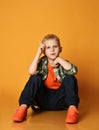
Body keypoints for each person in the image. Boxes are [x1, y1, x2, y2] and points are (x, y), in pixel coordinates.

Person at [12, 34, 80, 123]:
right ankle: (23, 108)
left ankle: (72, 110)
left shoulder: (64, 63)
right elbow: (31, 72)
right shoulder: (41, 62)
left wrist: (59, 60)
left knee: (70, 78)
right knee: (35, 78)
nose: (52, 50)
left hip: (60, 100)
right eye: (48, 47)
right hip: (43, 99)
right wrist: (38, 53)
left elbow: (73, 71)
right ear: (44, 51)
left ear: (60, 49)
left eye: (55, 46)